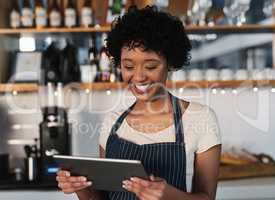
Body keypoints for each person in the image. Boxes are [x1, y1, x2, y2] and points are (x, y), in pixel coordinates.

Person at [56, 5, 221, 200]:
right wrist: (81, 188)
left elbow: (207, 197)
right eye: (128, 66)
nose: (139, 76)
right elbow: (100, 198)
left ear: (170, 64)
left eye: (151, 66)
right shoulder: (112, 123)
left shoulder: (200, 118)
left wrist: (170, 196)